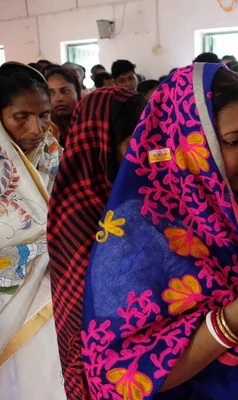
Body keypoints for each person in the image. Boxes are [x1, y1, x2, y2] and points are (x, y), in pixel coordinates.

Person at [78, 63, 238, 399]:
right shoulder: (138, 229)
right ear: (186, 139)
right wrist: (234, 320)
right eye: (232, 140)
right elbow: (116, 373)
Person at [47, 87, 148, 400]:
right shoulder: (78, 209)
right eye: (135, 136)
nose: (147, 145)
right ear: (103, 141)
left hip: (149, 354)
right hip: (106, 363)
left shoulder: (140, 193)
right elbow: (82, 313)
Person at [0, 62, 64, 399]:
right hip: (13, 301)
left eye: (43, 115)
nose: (37, 128)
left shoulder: (53, 154)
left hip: (58, 297)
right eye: (21, 116)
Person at [46, 67, 82, 146]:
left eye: (65, 91)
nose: (58, 99)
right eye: (51, 93)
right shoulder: (45, 129)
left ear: (77, 92)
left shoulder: (88, 123)